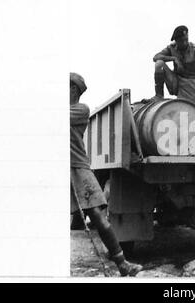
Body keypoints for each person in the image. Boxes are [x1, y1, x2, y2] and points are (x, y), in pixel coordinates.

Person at [70, 72, 142, 276]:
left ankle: (122, 263)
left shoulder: (80, 110)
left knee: (99, 217)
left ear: (74, 89)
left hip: (77, 169)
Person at [147, 25, 195, 106]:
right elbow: (156, 57)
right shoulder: (172, 47)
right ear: (176, 41)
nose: (184, 43)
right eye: (181, 41)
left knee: (189, 110)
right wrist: (174, 58)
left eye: (186, 40)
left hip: (192, 83)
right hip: (176, 80)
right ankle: (159, 95)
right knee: (159, 63)